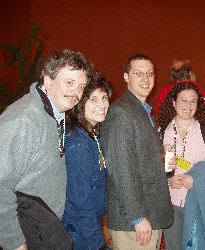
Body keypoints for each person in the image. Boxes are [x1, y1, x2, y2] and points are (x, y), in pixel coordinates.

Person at [0, 49, 94, 250]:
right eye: (69, 83)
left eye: (81, 86)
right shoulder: (24, 119)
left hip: (43, 231)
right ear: (48, 80)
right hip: (24, 236)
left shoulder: (54, 114)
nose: (76, 93)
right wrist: (15, 244)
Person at [100, 54, 173, 250]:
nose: (145, 79)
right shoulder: (121, 112)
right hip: (133, 221)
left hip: (149, 213)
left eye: (149, 73)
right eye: (138, 73)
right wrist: (137, 217)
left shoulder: (142, 111)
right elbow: (121, 170)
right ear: (126, 77)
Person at [156, 81, 205, 250]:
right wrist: (168, 181)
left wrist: (196, 181)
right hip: (171, 205)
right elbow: (153, 169)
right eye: (183, 100)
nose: (188, 105)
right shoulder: (161, 132)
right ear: (173, 103)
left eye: (193, 101)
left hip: (200, 203)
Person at [62, 72, 112, 250]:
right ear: (80, 103)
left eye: (104, 97)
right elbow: (80, 204)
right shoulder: (77, 143)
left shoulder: (91, 134)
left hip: (88, 227)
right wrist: (98, 245)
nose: (102, 105)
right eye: (93, 99)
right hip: (79, 233)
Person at [155, 60, 205, 126]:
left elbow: (159, 118)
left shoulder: (165, 93)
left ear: (172, 78)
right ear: (190, 74)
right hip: (203, 132)